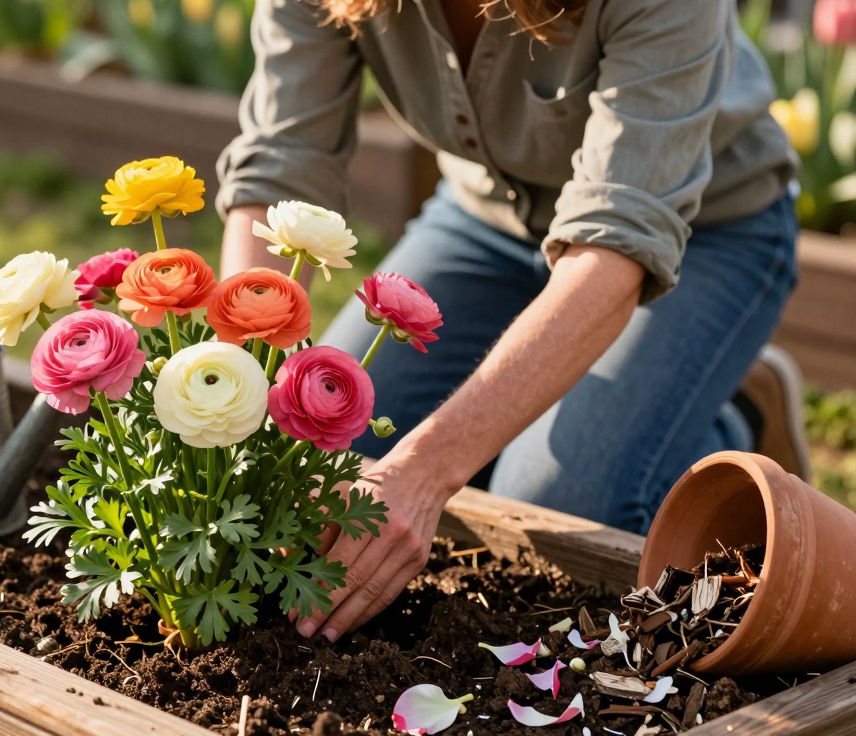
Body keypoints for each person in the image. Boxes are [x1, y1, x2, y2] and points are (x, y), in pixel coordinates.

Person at [216, 0, 811, 643]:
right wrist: (233, 393)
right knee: (323, 442)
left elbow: (616, 244)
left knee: (556, 505)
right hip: (487, 221)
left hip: (698, 232)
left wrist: (423, 471)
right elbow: (282, 164)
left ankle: (731, 420)